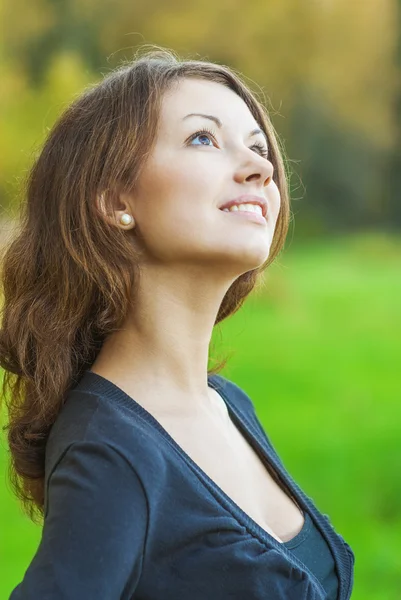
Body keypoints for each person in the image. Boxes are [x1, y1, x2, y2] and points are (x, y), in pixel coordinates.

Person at [1, 46, 354, 599]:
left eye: (258, 147)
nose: (260, 167)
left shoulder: (228, 405)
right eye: (203, 138)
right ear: (115, 198)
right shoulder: (111, 452)